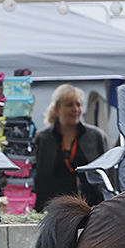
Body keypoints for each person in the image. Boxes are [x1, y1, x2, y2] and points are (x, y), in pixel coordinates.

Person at [33, 84, 109, 212]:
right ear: (57, 109)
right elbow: (37, 176)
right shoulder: (43, 139)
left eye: (78, 104)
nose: (75, 109)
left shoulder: (96, 137)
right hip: (53, 209)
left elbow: (108, 174)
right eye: (69, 104)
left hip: (93, 207)